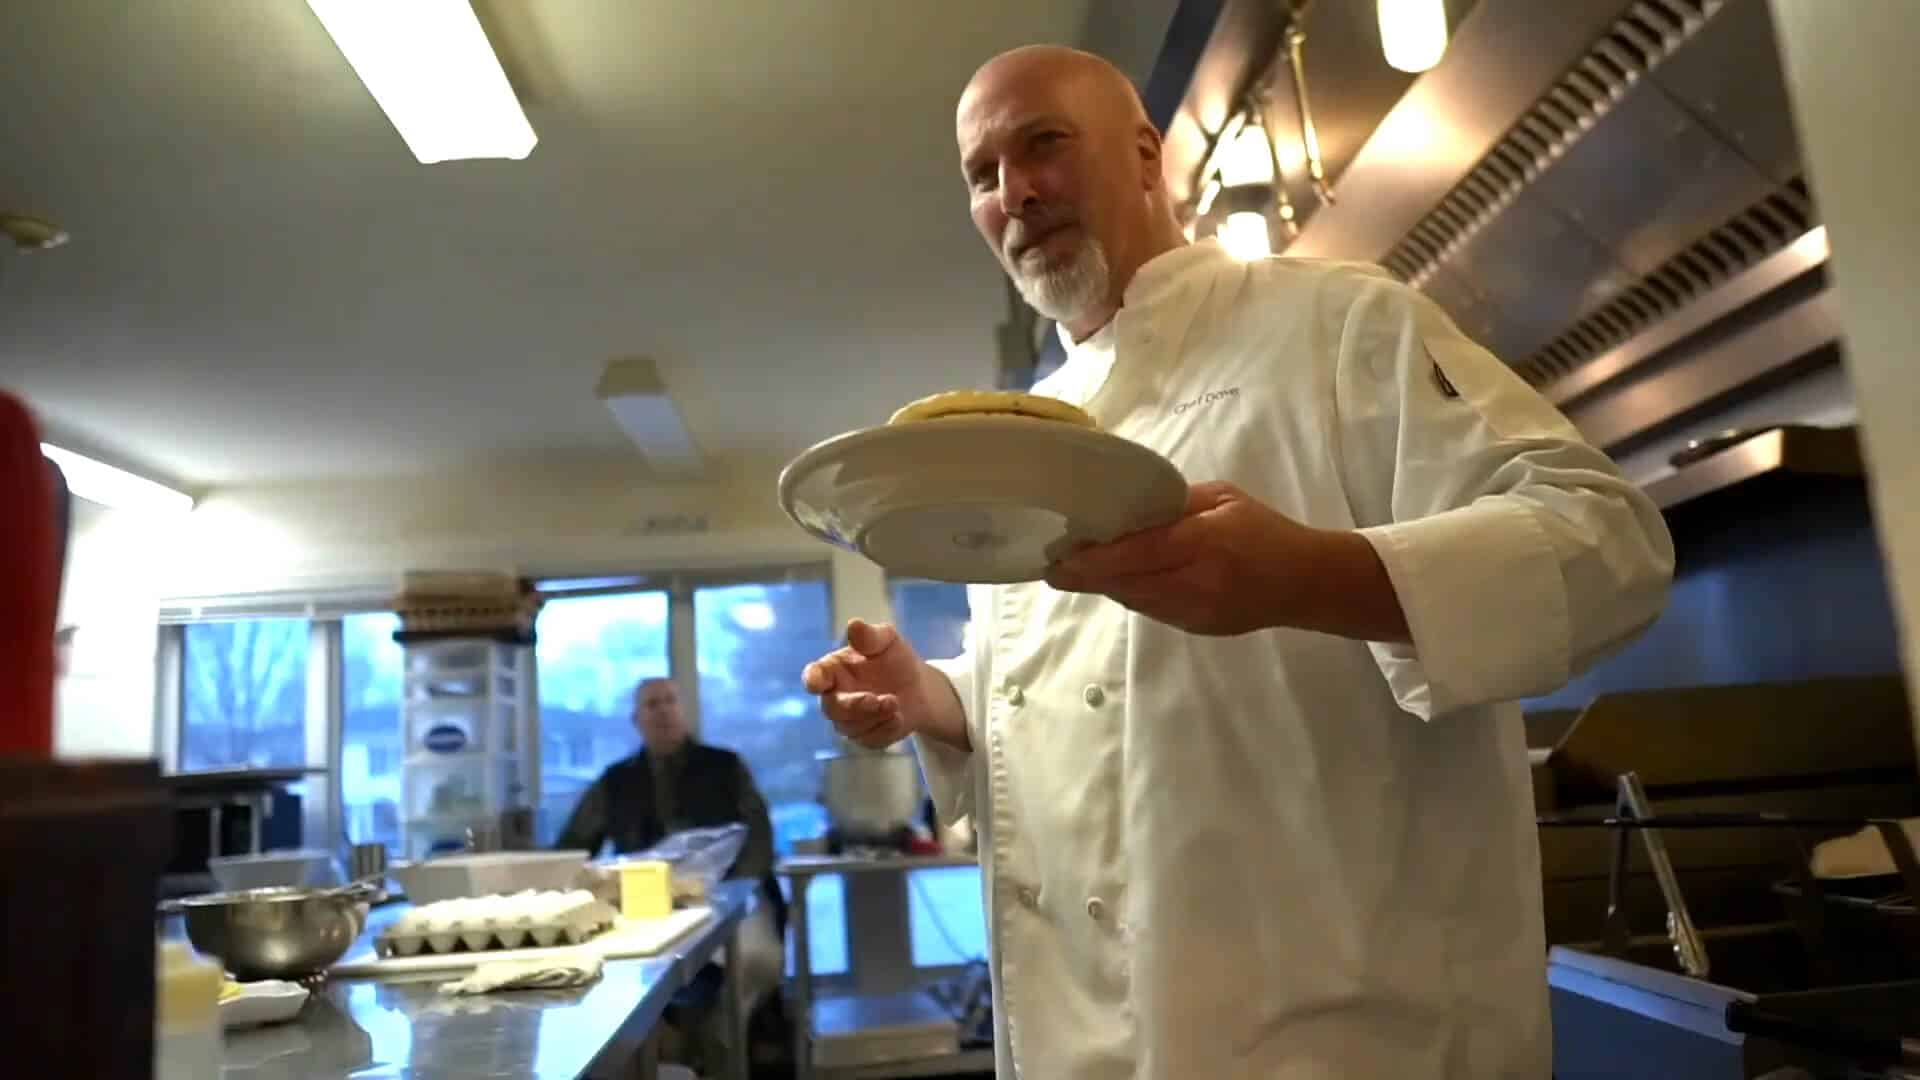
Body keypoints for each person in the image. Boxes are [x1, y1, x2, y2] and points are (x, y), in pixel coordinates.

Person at [800, 45, 1675, 1079]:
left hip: (1354, 1043)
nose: (1016, 193)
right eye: (982, 177)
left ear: (1142, 158)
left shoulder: (1335, 324)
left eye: (1043, 146)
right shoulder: (1025, 439)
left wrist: (1306, 577)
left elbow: (1609, 543)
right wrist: (939, 701)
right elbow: (1094, 705)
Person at [555, 676, 786, 1071]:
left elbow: (758, 838)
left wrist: (730, 889)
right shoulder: (615, 782)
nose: (662, 710)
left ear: (682, 710)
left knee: (752, 961)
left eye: (669, 701)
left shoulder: (725, 767)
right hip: (645, 908)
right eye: (652, 704)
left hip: (731, 899)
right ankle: (665, 1051)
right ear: (636, 719)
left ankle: (718, 1049)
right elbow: (574, 846)